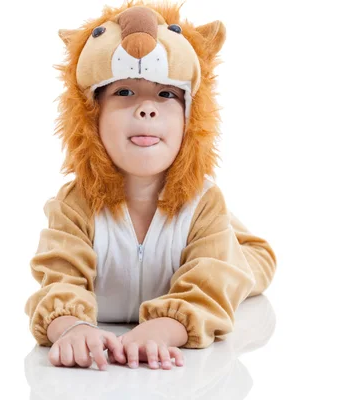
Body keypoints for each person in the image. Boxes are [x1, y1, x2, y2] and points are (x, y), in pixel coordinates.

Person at [24, 0, 277, 371]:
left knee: (245, 264)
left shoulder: (204, 202)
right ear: (91, 118)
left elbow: (210, 291)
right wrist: (71, 327)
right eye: (124, 93)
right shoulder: (73, 205)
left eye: (166, 94)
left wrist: (165, 327)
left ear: (191, 121)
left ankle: (231, 232)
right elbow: (57, 280)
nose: (146, 109)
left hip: (225, 246)